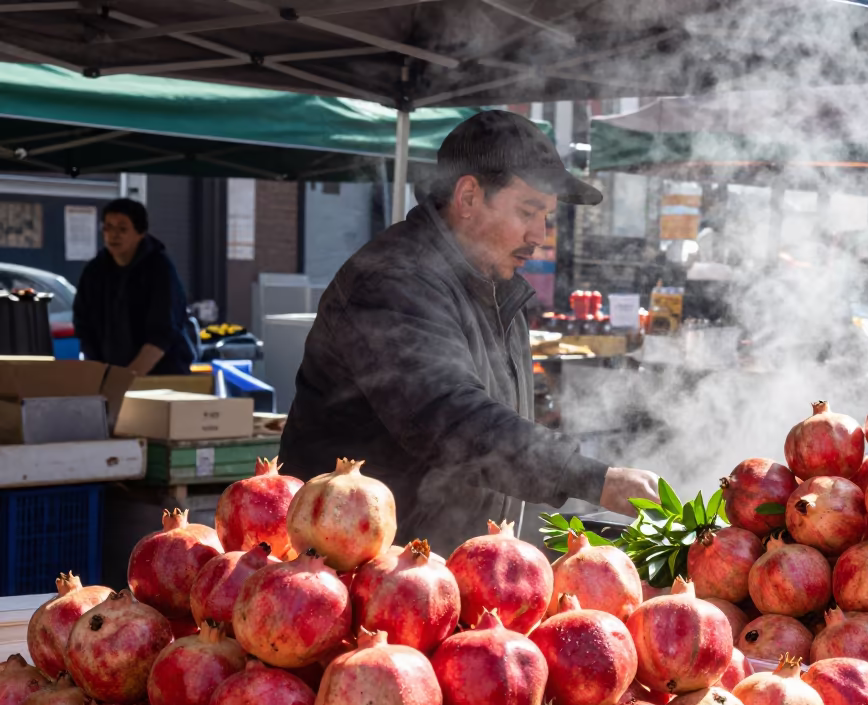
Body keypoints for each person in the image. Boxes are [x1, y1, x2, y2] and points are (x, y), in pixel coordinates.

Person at [279, 111, 660, 555]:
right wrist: (593, 478)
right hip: (354, 570)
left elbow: (494, 438)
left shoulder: (498, 290)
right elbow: (450, 417)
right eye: (528, 211)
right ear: (468, 196)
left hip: (447, 567)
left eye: (546, 217)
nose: (540, 234)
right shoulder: (393, 280)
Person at [72, 198, 194, 375]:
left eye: (122, 229)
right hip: (109, 372)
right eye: (108, 227)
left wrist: (128, 377)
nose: (114, 235)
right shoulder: (95, 271)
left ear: (140, 233)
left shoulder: (159, 269)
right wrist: (99, 372)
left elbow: (163, 332)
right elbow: (83, 324)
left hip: (162, 373)